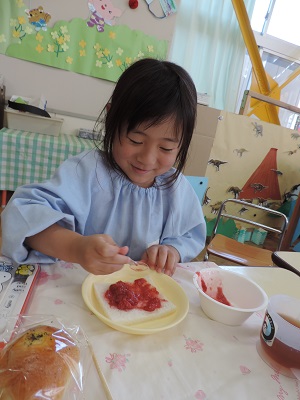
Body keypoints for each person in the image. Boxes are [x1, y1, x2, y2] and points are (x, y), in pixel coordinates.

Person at [1, 58, 206, 276]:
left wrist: (171, 250)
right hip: (76, 291)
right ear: (111, 118)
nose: (147, 159)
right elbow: (22, 218)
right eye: (135, 140)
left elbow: (189, 235)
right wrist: (77, 248)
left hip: (141, 297)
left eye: (166, 148)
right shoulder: (88, 171)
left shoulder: (176, 188)